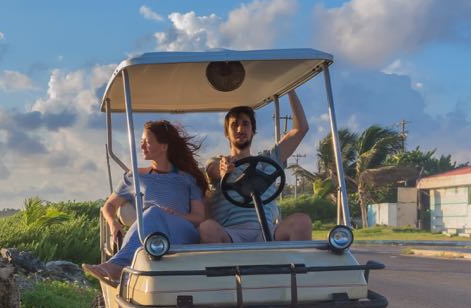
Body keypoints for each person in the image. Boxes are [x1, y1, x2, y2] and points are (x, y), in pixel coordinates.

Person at [83, 120, 208, 284]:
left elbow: (199, 217)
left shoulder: (187, 179)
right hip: (151, 235)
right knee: (152, 214)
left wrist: (176, 214)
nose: (142, 147)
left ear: (164, 146)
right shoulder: (135, 176)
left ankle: (117, 265)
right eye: (141, 142)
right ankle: (121, 266)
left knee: (154, 212)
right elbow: (110, 205)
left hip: (182, 232)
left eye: (147, 142)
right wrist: (113, 223)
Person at [199, 91, 313, 243]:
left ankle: (296, 266)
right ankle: (223, 267)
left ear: (253, 130)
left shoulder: (270, 159)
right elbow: (213, 170)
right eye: (234, 125)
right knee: (207, 228)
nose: (240, 129)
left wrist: (289, 89)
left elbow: (301, 129)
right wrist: (222, 171)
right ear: (227, 133)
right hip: (231, 233)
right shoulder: (219, 162)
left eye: (245, 124)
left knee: (302, 221)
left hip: (267, 231)